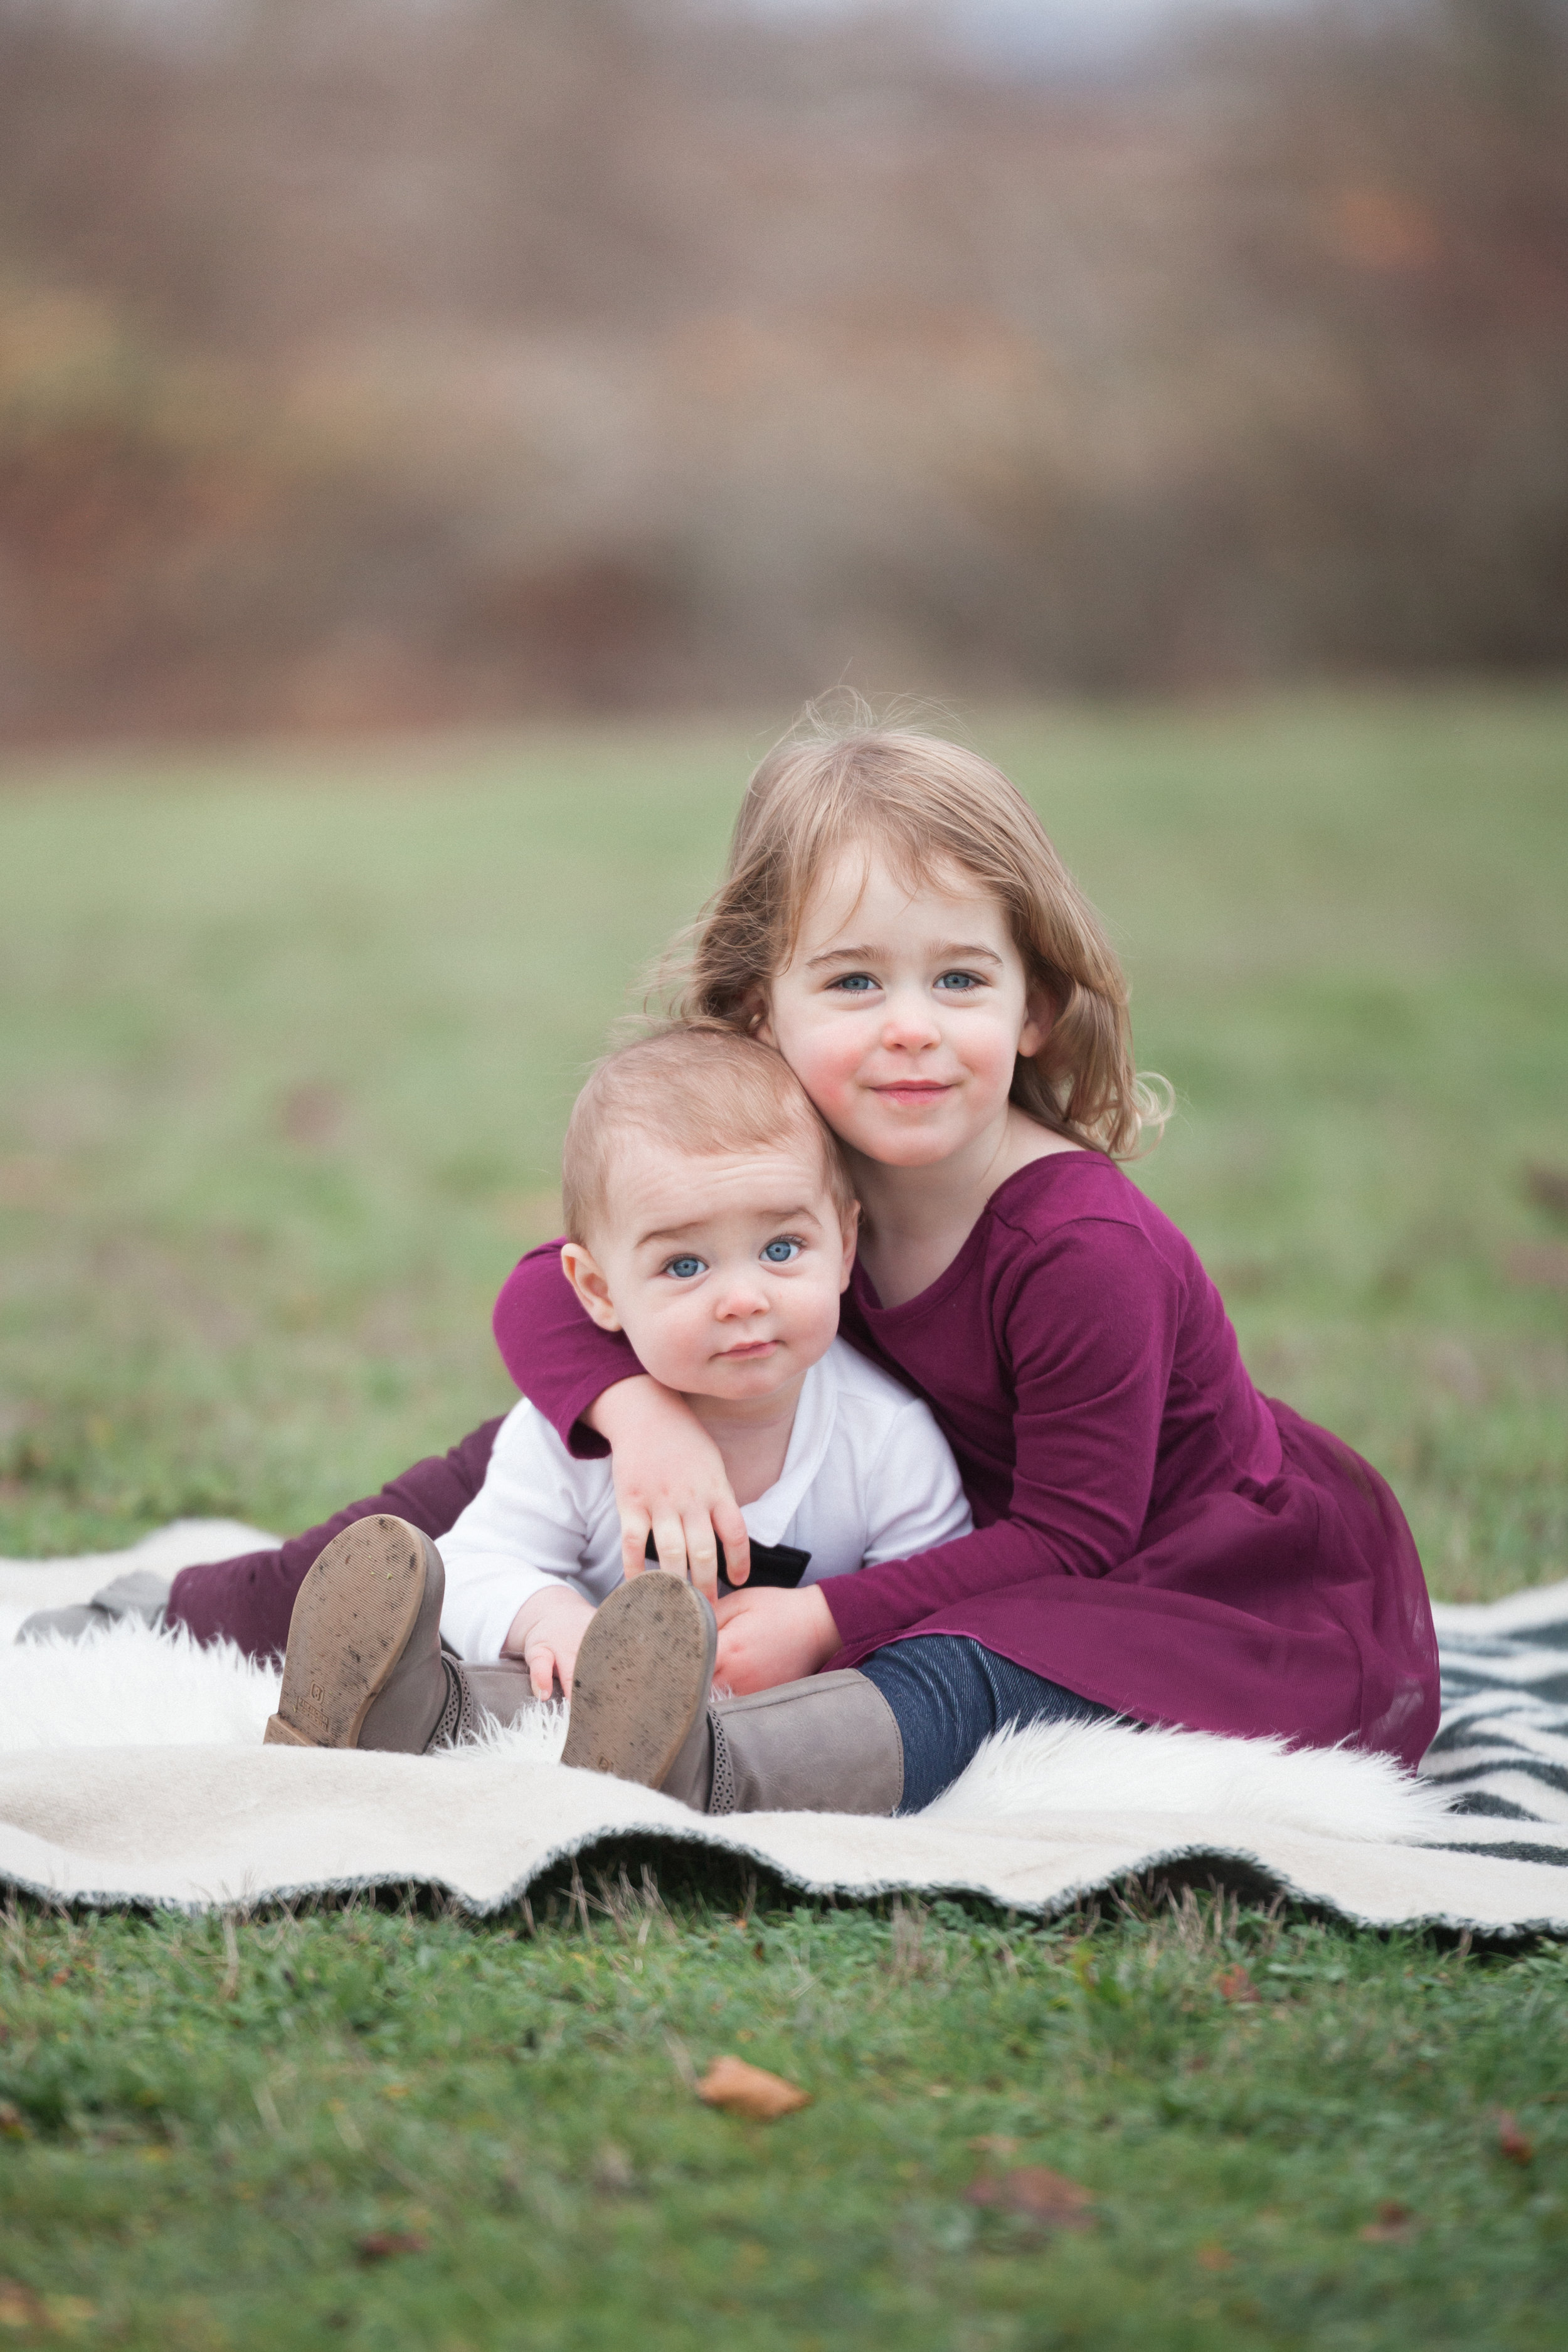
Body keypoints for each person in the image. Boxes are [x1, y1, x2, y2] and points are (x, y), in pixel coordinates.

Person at [162, 714, 1438, 1817]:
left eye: (957, 978)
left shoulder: (1073, 1248)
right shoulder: (809, 1147)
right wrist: (636, 1413)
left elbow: (1074, 1533)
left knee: (969, 1656)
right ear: (762, 1005)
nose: (908, 1030)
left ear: (1032, 1004)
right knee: (520, 1453)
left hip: (1177, 1577)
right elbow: (552, 1289)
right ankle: (197, 1622)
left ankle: (712, 1768)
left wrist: (825, 1622)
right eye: (851, 981)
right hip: (957, 1522)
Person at [261, 1024, 970, 1791]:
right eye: (685, 1264)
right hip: (580, 1710)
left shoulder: (886, 1438)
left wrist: (825, 1634)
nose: (742, 1298)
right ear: (597, 1291)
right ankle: (400, 1711)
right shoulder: (576, 1436)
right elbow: (472, 1563)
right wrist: (550, 1620)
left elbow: (938, 1604)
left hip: (771, 1723)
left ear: (843, 1243)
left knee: (852, 1708)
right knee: (521, 1692)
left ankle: (696, 1761)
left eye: (780, 1249)